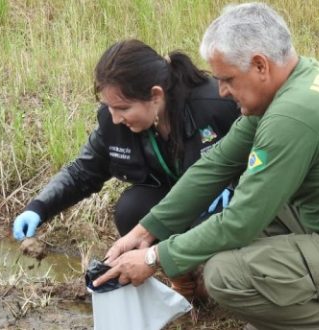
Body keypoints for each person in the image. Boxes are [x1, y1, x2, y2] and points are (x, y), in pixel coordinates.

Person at [93, 3, 319, 330]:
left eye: (228, 79)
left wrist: (154, 258)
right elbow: (216, 163)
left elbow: (240, 222)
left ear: (260, 65)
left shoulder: (292, 116)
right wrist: (145, 230)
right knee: (224, 242)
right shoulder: (294, 84)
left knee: (225, 277)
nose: (222, 90)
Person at [12, 39, 239, 255]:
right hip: (176, 201)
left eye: (123, 108)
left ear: (155, 95)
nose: (116, 118)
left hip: (226, 207)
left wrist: (232, 186)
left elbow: (264, 151)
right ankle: (176, 271)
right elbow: (82, 172)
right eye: (109, 107)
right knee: (131, 209)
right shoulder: (114, 122)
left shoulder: (216, 104)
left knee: (210, 220)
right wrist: (38, 208)